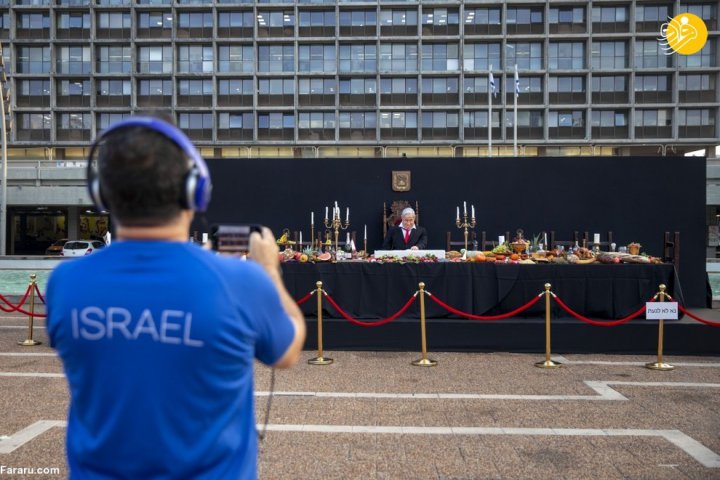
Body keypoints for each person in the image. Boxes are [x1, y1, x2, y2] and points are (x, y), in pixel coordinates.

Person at [46, 115, 305, 479]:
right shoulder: (240, 282)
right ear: (194, 191)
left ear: (102, 194)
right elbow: (287, 351)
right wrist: (270, 274)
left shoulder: (65, 283)